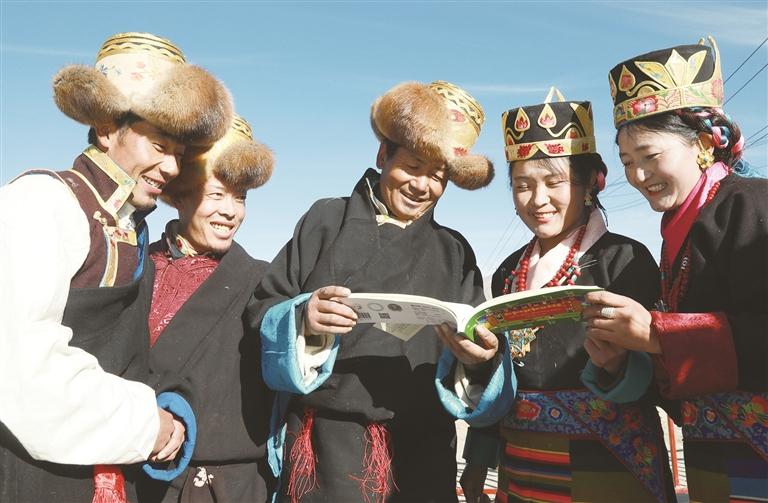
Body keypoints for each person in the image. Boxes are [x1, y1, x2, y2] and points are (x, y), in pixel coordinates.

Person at [0, 32, 232, 502]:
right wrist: (146, 424)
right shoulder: (41, 201)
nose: (172, 168)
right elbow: (22, 370)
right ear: (107, 129)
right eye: (159, 145)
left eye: (180, 154)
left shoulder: (130, 228)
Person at [254, 80, 509, 502]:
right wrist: (303, 318)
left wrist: (479, 358)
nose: (422, 186)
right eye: (412, 166)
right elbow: (265, 306)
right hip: (326, 452)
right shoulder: (325, 220)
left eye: (437, 176)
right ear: (382, 155)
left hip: (423, 454)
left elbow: (478, 339)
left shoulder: (454, 250)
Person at [453, 88, 676, 502]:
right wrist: (479, 458)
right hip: (522, 467)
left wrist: (619, 367)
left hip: (610, 466)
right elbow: (502, 378)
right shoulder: (508, 272)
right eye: (522, 185)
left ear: (589, 182)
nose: (538, 200)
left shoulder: (625, 260)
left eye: (554, 182)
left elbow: (665, 373)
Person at [582, 36, 768, 502]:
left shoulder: (753, 206)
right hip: (714, 464)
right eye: (627, 162)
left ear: (703, 144)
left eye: (650, 156)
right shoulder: (677, 232)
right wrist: (622, 359)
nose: (638, 176)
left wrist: (659, 335)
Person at [136, 114, 276, 502]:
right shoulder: (137, 268)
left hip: (229, 486)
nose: (231, 212)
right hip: (136, 475)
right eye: (216, 195)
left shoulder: (263, 282)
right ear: (179, 195)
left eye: (240, 197)